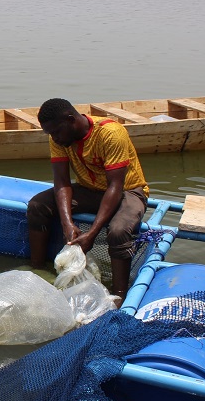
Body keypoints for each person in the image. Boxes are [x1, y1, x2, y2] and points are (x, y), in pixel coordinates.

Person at [26, 98, 149, 302]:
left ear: (71, 119)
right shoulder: (59, 138)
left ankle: (119, 296)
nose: (54, 138)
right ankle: (37, 270)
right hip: (89, 188)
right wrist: (67, 224)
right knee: (38, 206)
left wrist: (92, 234)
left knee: (118, 231)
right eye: (50, 134)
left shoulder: (110, 133)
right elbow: (62, 182)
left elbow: (115, 187)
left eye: (56, 132)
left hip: (127, 190)